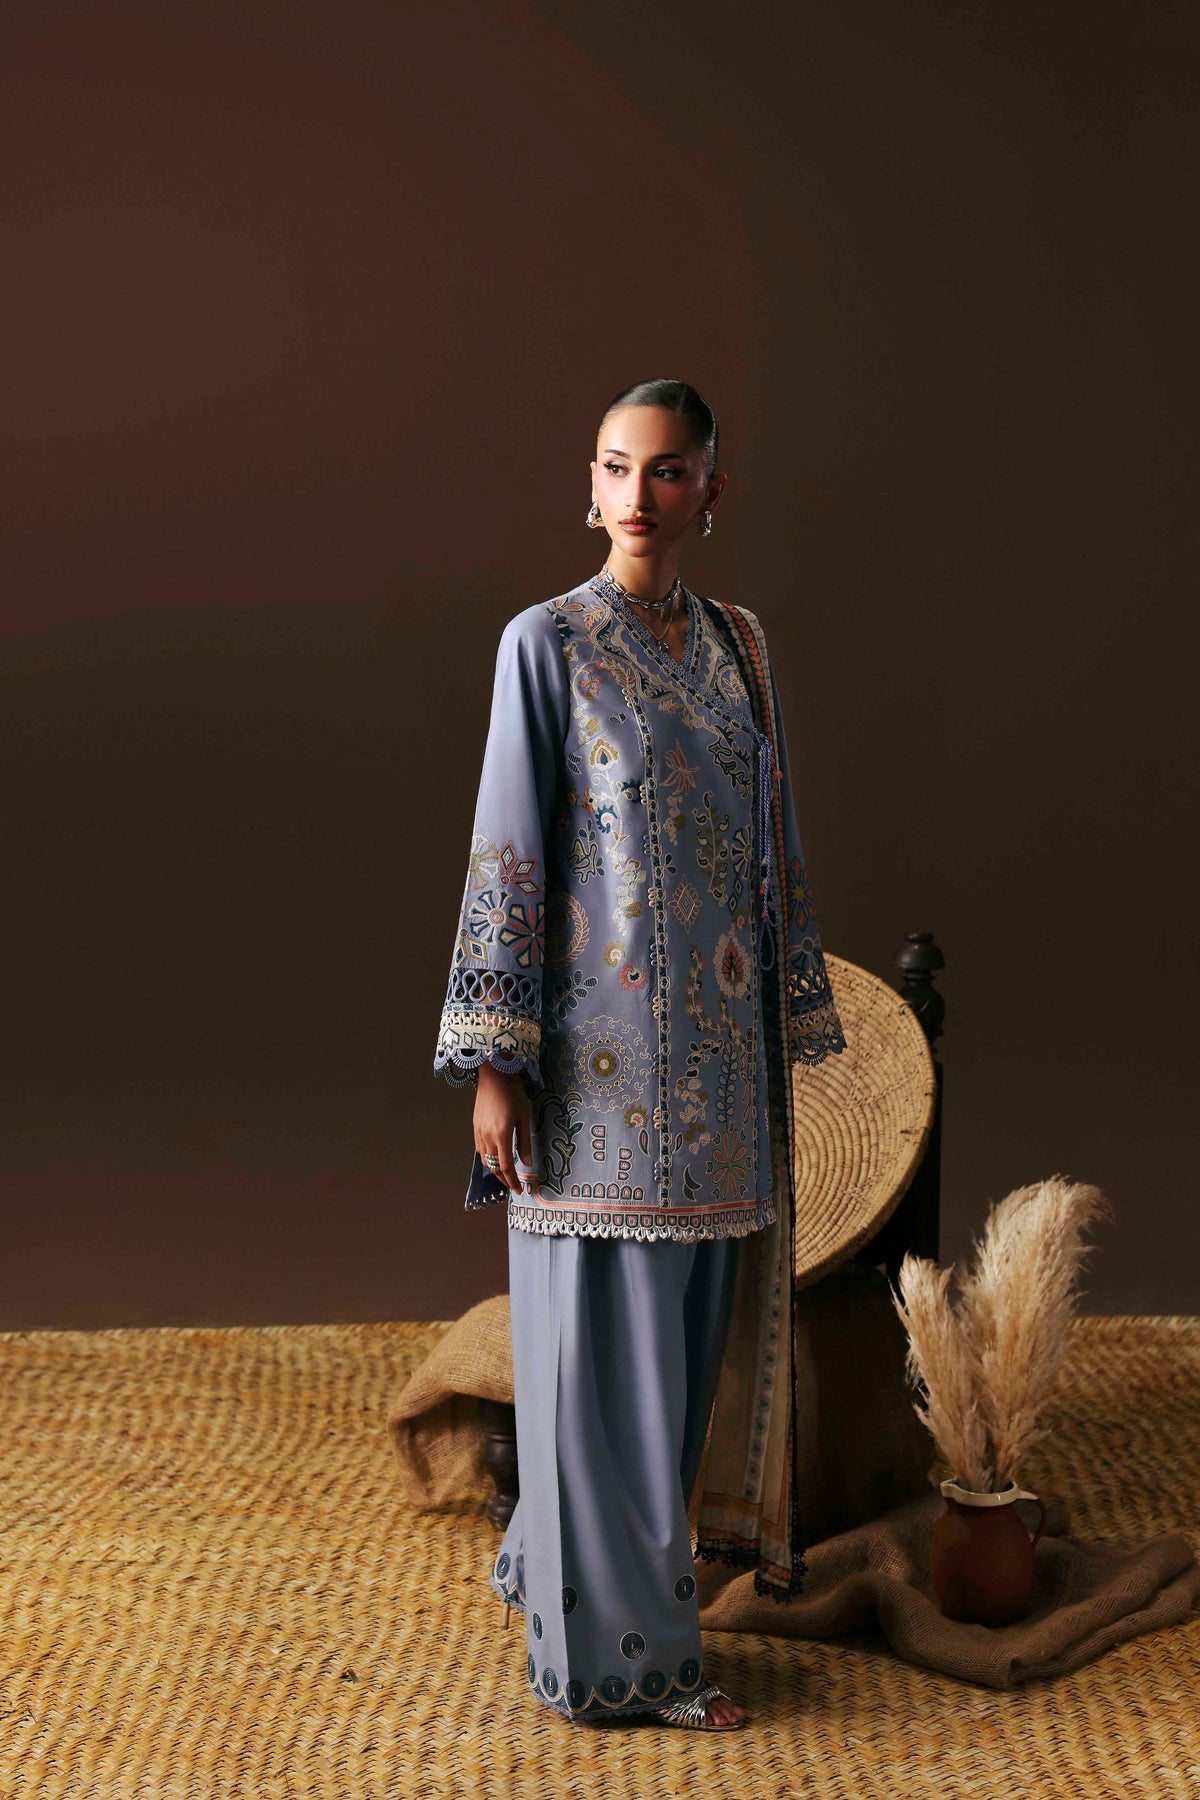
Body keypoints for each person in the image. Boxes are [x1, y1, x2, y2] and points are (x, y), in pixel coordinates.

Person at [434, 378, 847, 1730]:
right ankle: (628, 1671)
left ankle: (575, 1575)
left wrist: (791, 1016)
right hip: (590, 1086)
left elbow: (774, 845)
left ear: (711, 492)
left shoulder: (742, 650)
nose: (639, 495)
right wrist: (496, 1062)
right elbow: (509, 848)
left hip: (718, 1082)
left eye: (668, 471)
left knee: (674, 1380)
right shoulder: (546, 644)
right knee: (595, 1377)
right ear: (591, 483)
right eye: (617, 467)